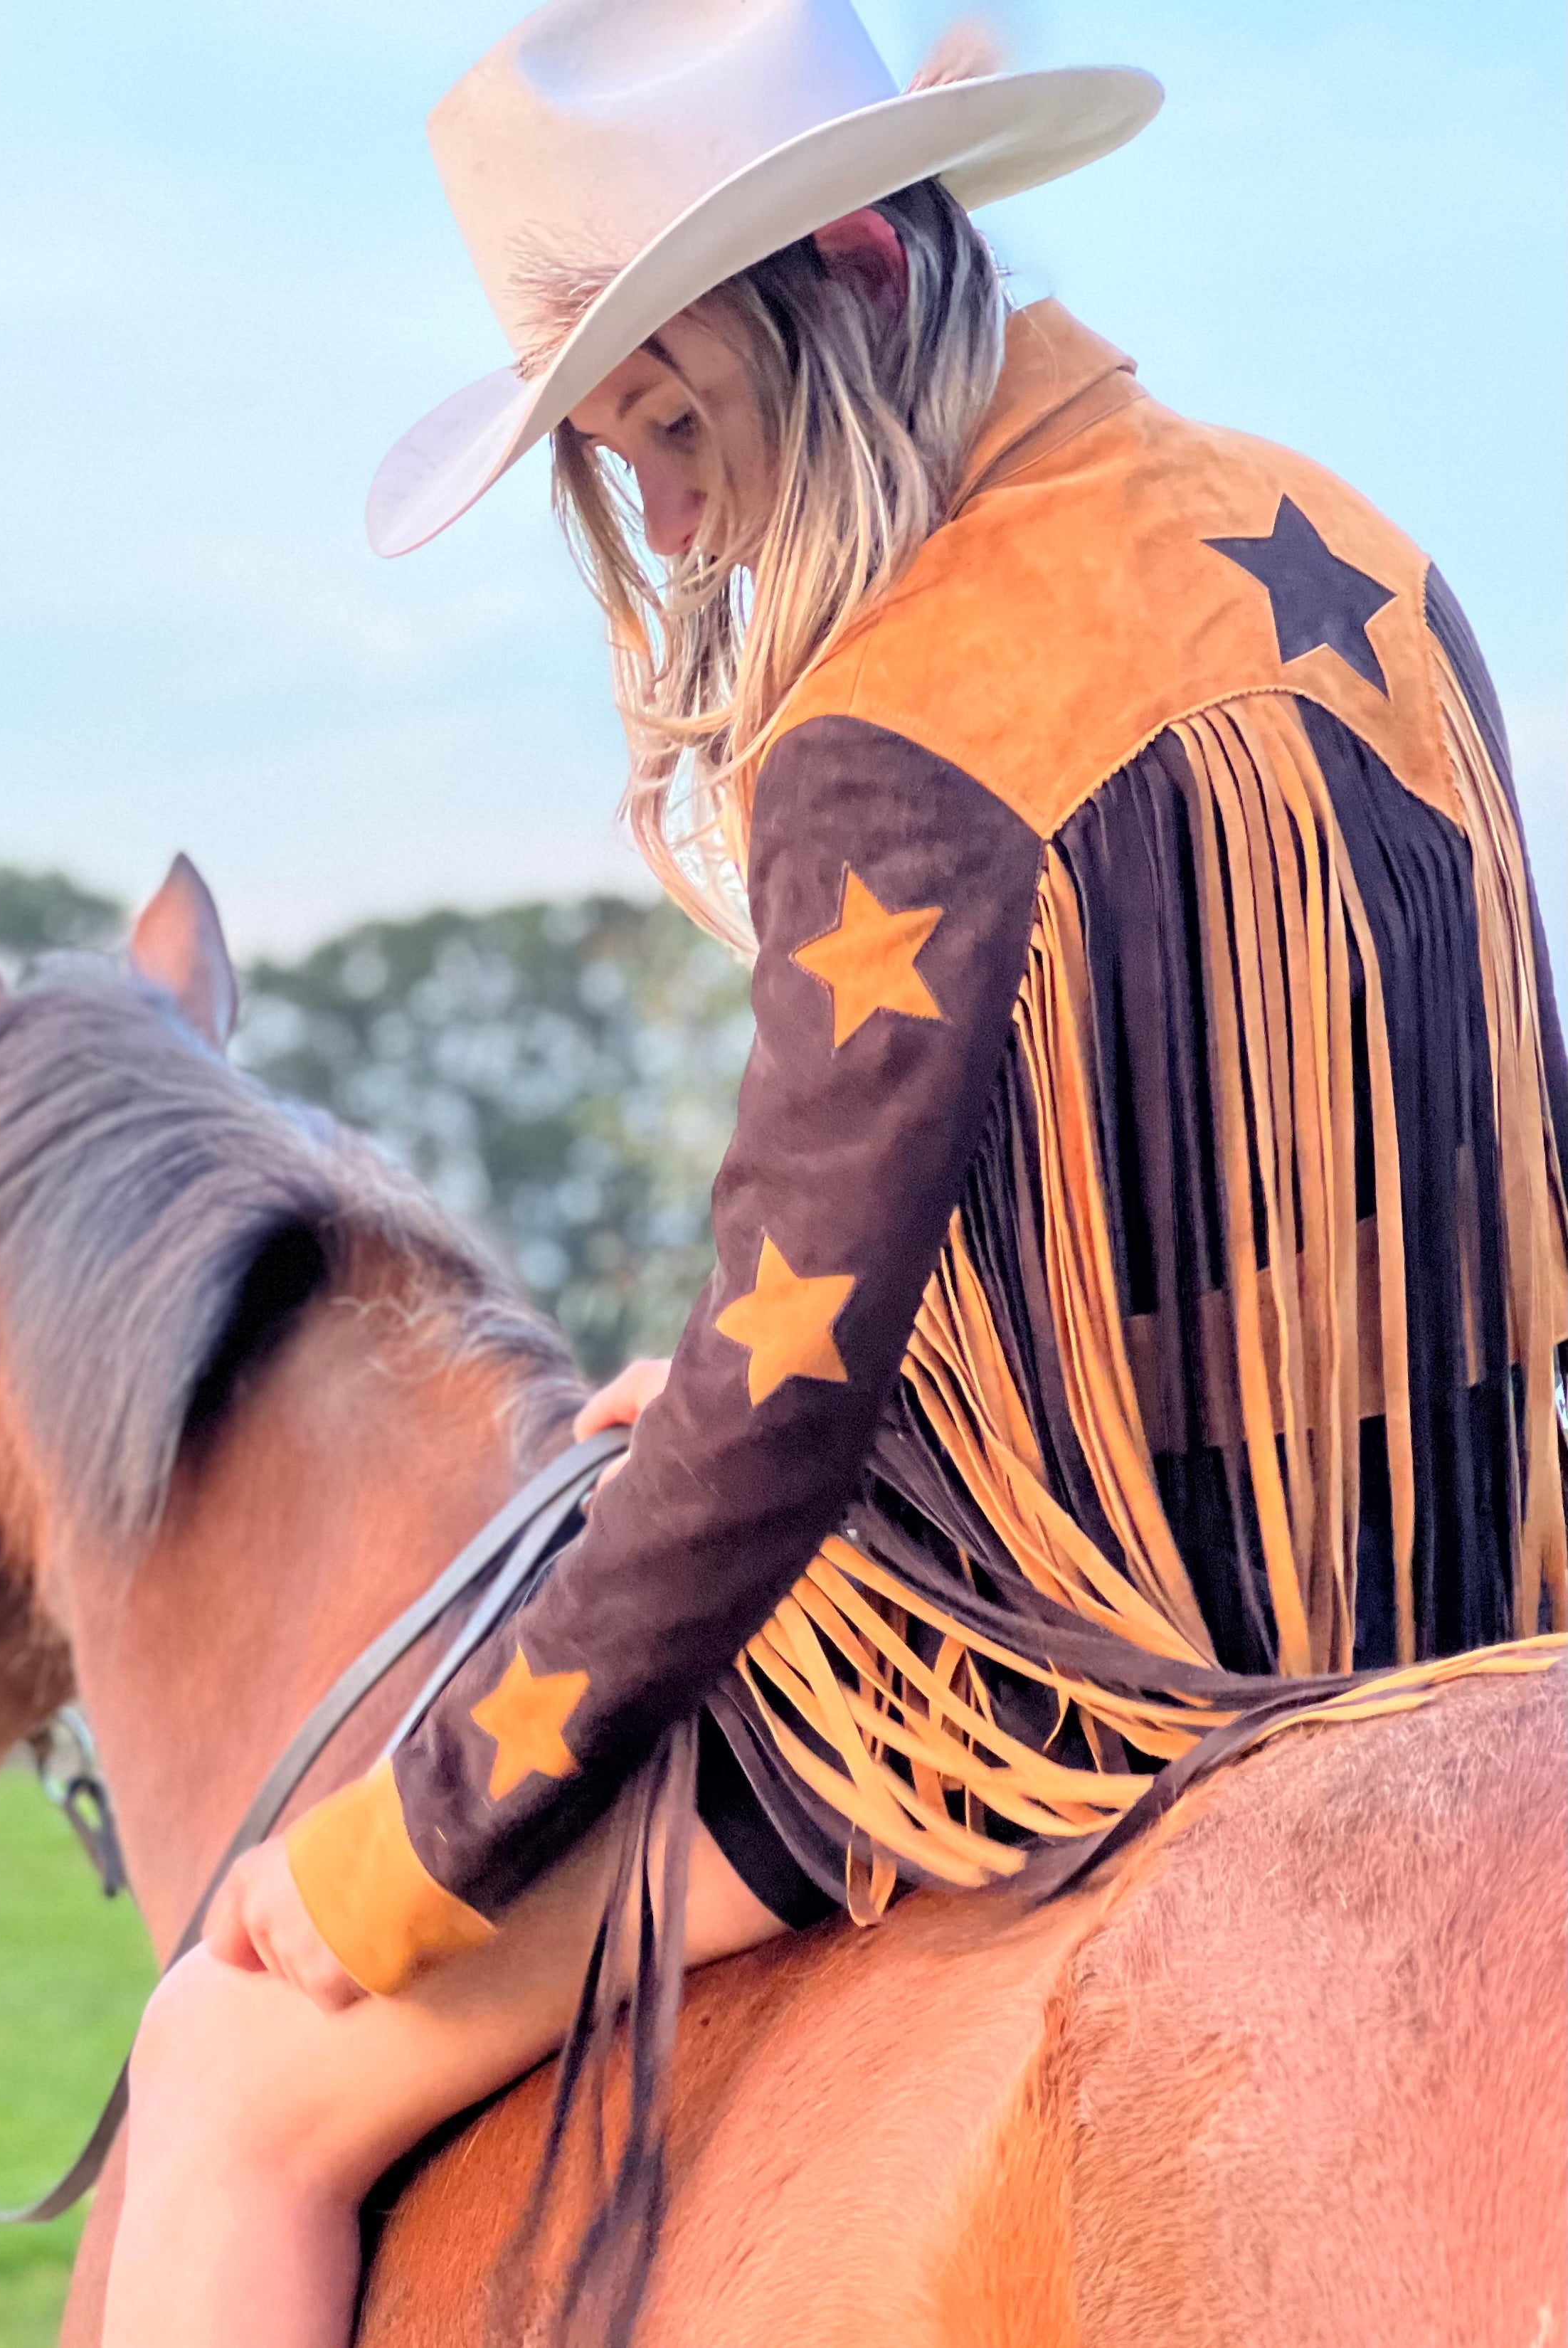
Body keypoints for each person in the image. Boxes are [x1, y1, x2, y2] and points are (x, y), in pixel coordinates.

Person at [100, 1, 1568, 2341]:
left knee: (223, 2068)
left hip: (1054, 1674)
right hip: (1440, 1592)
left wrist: (400, 1845)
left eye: (674, 422)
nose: (669, 520)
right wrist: (749, 1365)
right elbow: (1366, 1167)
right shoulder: (1348, 551)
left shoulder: (904, 726)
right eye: (618, 459)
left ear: (859, 271)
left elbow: (772, 1439)